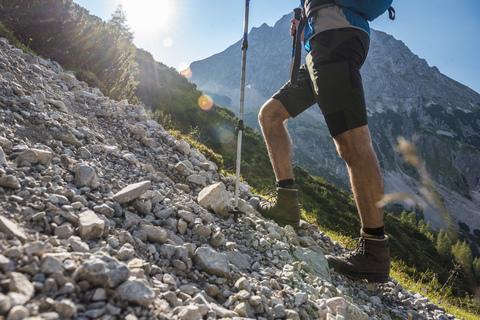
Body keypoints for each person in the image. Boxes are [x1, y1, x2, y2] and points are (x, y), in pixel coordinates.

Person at [256, 0, 390, 283]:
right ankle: (286, 204)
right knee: (270, 115)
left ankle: (374, 250)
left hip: (336, 39)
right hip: (318, 47)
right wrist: (305, 22)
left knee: (352, 143)